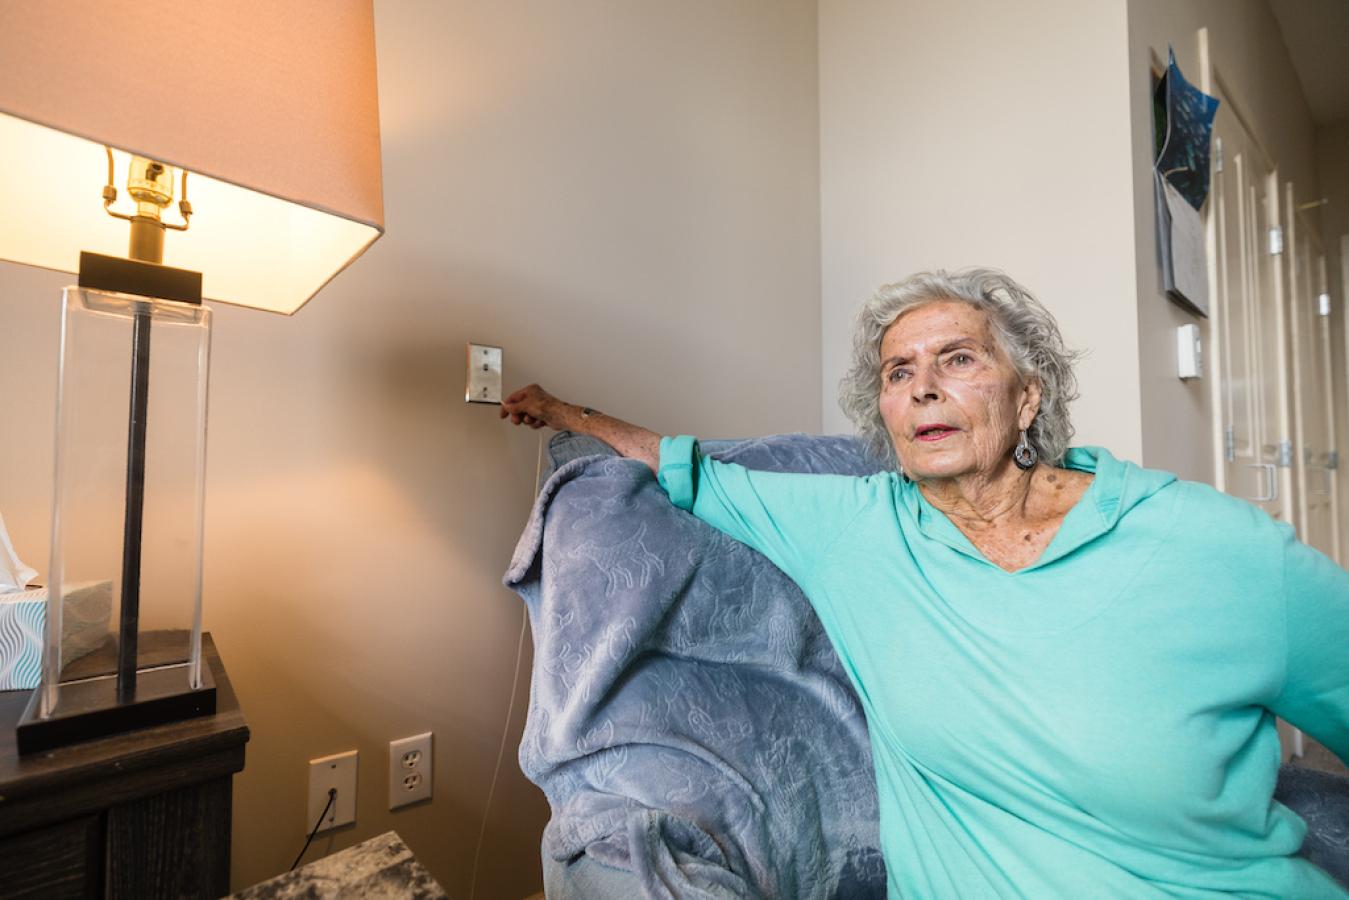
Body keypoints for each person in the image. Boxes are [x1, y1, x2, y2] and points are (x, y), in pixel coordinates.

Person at [500, 267, 1349, 898]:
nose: (923, 387)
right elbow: (693, 471)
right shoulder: (858, 527)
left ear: (1026, 398)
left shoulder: (1213, 548)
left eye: (956, 359)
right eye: (898, 373)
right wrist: (566, 414)